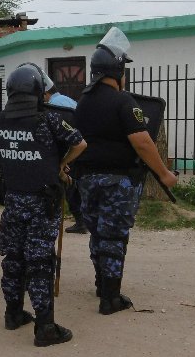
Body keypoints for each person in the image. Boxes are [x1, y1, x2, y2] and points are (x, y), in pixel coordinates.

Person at [73, 27, 178, 315]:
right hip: (117, 181)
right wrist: (165, 174)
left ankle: (101, 283)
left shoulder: (84, 101)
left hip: (87, 180)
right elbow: (142, 142)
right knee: (114, 236)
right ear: (117, 69)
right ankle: (111, 297)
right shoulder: (123, 101)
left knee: (97, 232)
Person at [0, 63, 86, 346]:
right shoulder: (50, 120)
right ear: (37, 92)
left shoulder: (2, 120)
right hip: (41, 201)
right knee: (40, 262)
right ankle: (45, 327)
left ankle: (13, 314)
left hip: (13, 199)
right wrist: (60, 165)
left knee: (13, 260)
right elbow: (80, 143)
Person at [43, 78, 86, 234]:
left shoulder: (53, 104)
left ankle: (80, 221)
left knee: (68, 185)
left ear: (46, 93)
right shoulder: (65, 99)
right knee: (76, 184)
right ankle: (83, 219)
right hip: (81, 144)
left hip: (71, 148)